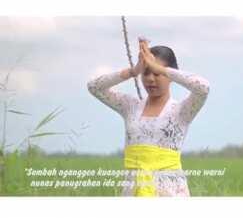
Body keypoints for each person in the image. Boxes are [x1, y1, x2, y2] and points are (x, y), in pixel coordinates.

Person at [87, 38, 210, 196]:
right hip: (134, 188)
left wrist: (161, 68)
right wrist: (133, 71)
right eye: (146, 73)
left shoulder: (181, 111)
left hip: (170, 191)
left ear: (172, 75)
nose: (151, 79)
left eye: (157, 73)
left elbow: (203, 87)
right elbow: (94, 87)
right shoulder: (130, 106)